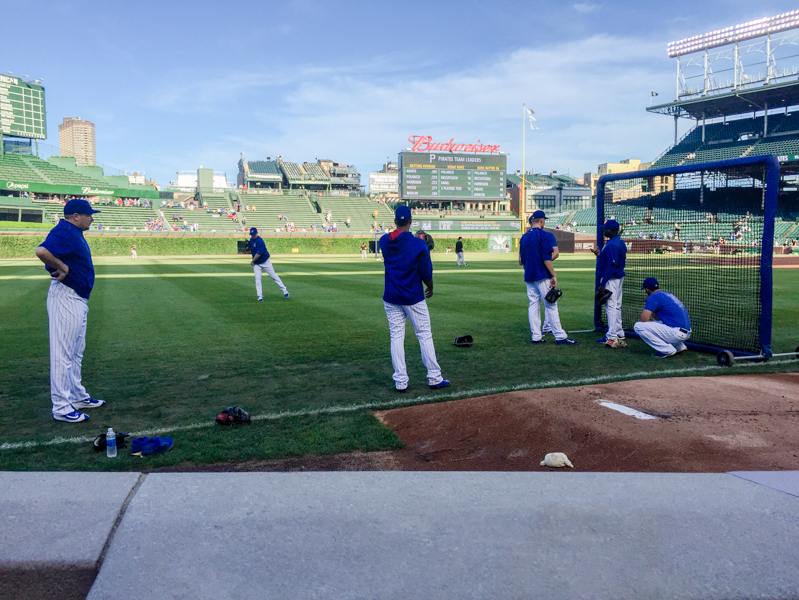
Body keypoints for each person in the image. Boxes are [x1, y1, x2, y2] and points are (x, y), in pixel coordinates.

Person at [35, 199, 107, 423]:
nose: (92, 218)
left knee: (75, 352)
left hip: (76, 298)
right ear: (76, 216)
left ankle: (76, 396)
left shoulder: (72, 231)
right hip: (66, 296)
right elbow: (41, 250)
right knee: (63, 355)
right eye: (89, 215)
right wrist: (62, 267)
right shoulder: (65, 230)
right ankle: (61, 407)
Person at [379, 206, 449, 392]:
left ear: (395, 221)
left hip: (391, 295)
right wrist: (431, 287)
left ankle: (400, 381)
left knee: (396, 337)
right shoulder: (419, 245)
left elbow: (393, 240)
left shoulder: (384, 241)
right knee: (424, 335)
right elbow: (426, 273)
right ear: (410, 222)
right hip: (412, 296)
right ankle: (434, 377)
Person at [519, 210, 578, 345]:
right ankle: (560, 336)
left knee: (533, 305)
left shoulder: (524, 237)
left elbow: (521, 260)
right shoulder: (544, 235)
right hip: (542, 275)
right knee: (551, 304)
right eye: (544, 220)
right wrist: (553, 274)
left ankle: (536, 336)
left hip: (529, 275)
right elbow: (547, 258)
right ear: (541, 220)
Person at [633, 278, 691, 358]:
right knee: (657, 323)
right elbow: (658, 319)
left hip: (676, 333)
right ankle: (679, 346)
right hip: (686, 332)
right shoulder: (666, 294)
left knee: (638, 326)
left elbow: (644, 320)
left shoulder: (653, 297)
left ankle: (667, 350)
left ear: (647, 289)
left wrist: (647, 303)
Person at [592, 219, 626, 347]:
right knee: (616, 306)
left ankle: (612, 336)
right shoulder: (618, 242)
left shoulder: (612, 244)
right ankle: (619, 333)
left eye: (606, 228)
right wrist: (600, 255)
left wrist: (603, 284)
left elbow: (611, 265)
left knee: (611, 306)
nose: (604, 230)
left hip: (611, 278)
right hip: (618, 277)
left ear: (612, 231)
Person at [248, 227, 289, 301]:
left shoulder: (260, 241)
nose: (252, 236)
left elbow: (258, 254)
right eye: (251, 234)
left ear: (257, 233)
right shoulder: (251, 240)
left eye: (253, 234)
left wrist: (252, 261)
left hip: (265, 261)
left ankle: (284, 290)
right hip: (257, 264)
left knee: (274, 276)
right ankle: (260, 296)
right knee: (257, 279)